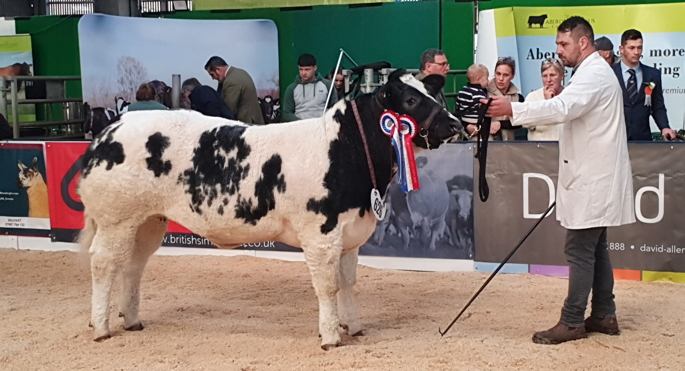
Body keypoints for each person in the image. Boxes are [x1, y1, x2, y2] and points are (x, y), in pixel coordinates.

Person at [483, 16, 636, 345]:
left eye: (563, 44)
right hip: (594, 175)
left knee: (579, 248)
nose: (558, 50)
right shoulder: (592, 73)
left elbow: (563, 107)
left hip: (593, 178)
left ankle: (572, 321)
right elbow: (571, 105)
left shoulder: (594, 74)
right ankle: (604, 315)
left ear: (583, 42)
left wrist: (511, 109)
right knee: (597, 248)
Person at [613, 29, 676, 141]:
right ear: (621, 49)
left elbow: (657, 106)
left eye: (639, 47)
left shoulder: (652, 74)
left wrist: (664, 127)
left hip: (642, 140)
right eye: (631, 48)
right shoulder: (609, 73)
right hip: (614, 139)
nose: (636, 52)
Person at [204, 56, 265, 125]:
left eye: (212, 74)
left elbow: (228, 110)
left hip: (246, 125)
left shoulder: (231, 82)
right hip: (253, 121)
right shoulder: (239, 73)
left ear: (218, 70)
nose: (213, 78)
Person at [281, 53, 338, 122]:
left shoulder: (327, 85)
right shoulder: (291, 89)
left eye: (307, 69)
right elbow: (287, 113)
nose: (303, 73)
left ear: (315, 68)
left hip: (322, 126)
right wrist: (300, 123)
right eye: (301, 69)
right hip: (300, 127)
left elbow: (335, 108)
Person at [526, 58, 565, 141]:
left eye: (552, 75)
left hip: (565, 148)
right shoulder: (533, 97)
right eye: (545, 76)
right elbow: (527, 124)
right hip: (540, 149)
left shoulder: (569, 96)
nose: (548, 80)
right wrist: (546, 104)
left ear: (562, 76)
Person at [487, 57, 524, 140]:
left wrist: (500, 124)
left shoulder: (518, 98)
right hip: (488, 143)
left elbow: (520, 122)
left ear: (512, 76)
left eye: (505, 75)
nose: (501, 79)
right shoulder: (483, 93)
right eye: (498, 74)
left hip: (509, 144)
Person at [456, 63, 489, 138]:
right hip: (475, 121)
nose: (488, 81)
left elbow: (458, 104)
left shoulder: (463, 90)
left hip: (464, 120)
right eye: (486, 78)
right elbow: (482, 107)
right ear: (478, 79)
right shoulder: (479, 92)